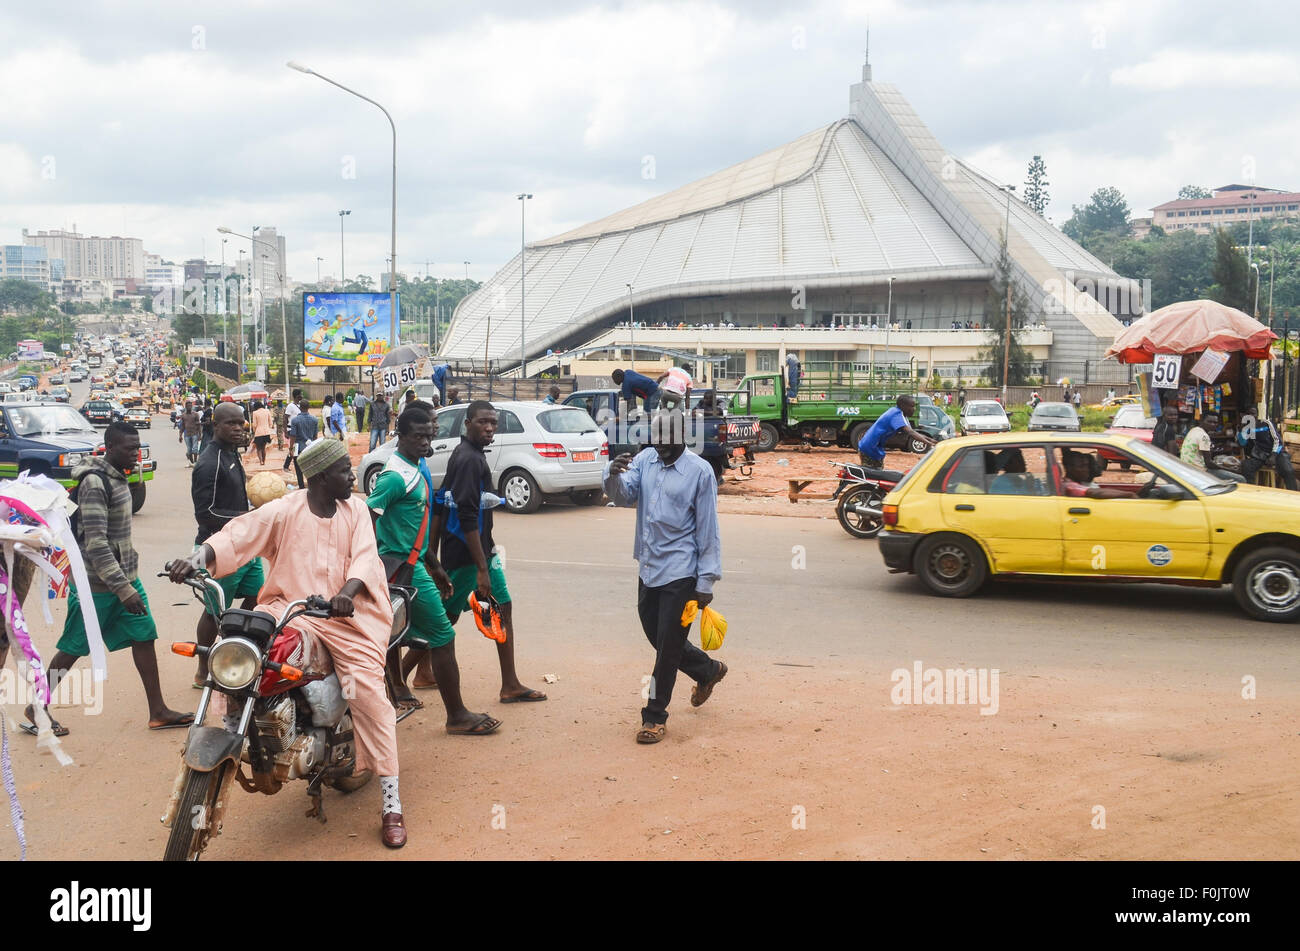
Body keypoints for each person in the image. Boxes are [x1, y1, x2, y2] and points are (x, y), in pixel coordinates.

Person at [168, 438, 408, 848]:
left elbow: (366, 560)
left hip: (345, 617)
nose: (353, 477)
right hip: (287, 606)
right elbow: (238, 535)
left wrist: (347, 593)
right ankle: (237, 727)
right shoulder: (285, 510)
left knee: (367, 692)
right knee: (239, 648)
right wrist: (197, 557)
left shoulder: (357, 512)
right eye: (343, 472)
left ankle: (391, 803)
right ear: (318, 478)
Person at [24, 422, 192, 736]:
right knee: (73, 648)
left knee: (144, 636)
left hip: (124, 579)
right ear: (110, 447)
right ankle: (36, 706)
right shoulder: (95, 483)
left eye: (138, 447)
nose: (136, 453)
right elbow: (96, 543)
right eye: (129, 448)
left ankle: (158, 711)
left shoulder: (120, 478)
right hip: (98, 587)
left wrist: (127, 584)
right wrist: (123, 589)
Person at [603, 410, 725, 744]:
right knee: (658, 637)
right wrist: (611, 474)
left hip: (681, 571)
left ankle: (654, 716)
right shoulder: (645, 460)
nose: (660, 446)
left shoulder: (699, 472)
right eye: (656, 439)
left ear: (683, 436)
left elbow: (708, 529)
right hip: (649, 567)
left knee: (666, 649)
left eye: (667, 440)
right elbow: (623, 496)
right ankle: (707, 670)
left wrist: (706, 582)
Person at [417, 400, 546, 713]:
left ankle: (510, 684)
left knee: (500, 607)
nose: (489, 428)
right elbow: (465, 515)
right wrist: (480, 569)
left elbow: (443, 501)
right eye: (482, 422)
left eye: (493, 423)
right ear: (468, 423)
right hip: (465, 556)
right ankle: (407, 673)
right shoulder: (468, 459)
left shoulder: (470, 455)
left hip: (476, 552)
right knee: (442, 621)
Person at [190, 402, 264, 687]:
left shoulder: (232, 453)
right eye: (230, 424)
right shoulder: (209, 463)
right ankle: (203, 669)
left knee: (259, 597)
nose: (237, 429)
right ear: (215, 425)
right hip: (217, 548)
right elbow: (205, 513)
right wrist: (247, 517)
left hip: (246, 547)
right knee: (213, 610)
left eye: (240, 423)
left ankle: (234, 652)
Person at [857, 396, 935, 468]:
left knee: (877, 472)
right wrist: (930, 444)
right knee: (873, 475)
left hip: (874, 447)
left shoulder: (900, 414)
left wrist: (932, 440)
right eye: (911, 406)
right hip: (870, 448)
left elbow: (913, 432)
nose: (914, 409)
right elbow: (911, 433)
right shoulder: (896, 415)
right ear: (903, 406)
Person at [1240, 417, 1299, 490]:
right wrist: (1242, 430)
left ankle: (1293, 493)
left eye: (1253, 414)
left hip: (1277, 452)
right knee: (1246, 466)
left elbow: (1278, 441)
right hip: (1261, 454)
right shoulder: (1247, 428)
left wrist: (1273, 455)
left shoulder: (1266, 423)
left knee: (1287, 470)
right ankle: (1251, 492)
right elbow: (1243, 443)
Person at [1060, 449, 1136, 499]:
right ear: (1069, 468)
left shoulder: (1081, 482)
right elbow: (1093, 492)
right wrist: (1129, 494)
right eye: (1082, 466)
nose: (1087, 469)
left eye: (1086, 465)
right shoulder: (1069, 485)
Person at [287, 396, 318, 489]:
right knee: (310, 468)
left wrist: (290, 448)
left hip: (298, 447)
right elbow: (315, 436)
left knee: (298, 469)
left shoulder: (295, 420)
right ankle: (312, 486)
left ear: (300, 407)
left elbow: (293, 436)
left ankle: (301, 486)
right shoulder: (314, 420)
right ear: (308, 407)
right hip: (310, 447)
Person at [282, 390, 303, 474]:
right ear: (297, 396)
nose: (302, 396)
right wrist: (285, 431)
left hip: (299, 430)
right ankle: (286, 466)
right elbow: (285, 419)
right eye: (301, 394)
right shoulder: (290, 406)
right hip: (291, 430)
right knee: (294, 448)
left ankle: (290, 465)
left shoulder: (300, 405)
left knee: (297, 448)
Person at [249, 399, 273, 465]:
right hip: (266, 432)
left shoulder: (255, 413)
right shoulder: (267, 411)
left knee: (258, 448)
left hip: (258, 432)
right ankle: (264, 461)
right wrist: (269, 427)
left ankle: (261, 461)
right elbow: (271, 422)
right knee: (263, 448)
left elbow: (254, 424)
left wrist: (254, 431)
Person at [180, 400, 202, 466]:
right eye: (187, 405)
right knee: (189, 450)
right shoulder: (183, 415)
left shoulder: (195, 414)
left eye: (190, 405)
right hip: (187, 434)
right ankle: (192, 462)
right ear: (185, 406)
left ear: (192, 406)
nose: (189, 407)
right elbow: (182, 426)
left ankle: (195, 462)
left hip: (195, 433)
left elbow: (199, 425)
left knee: (195, 449)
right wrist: (180, 435)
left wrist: (200, 434)